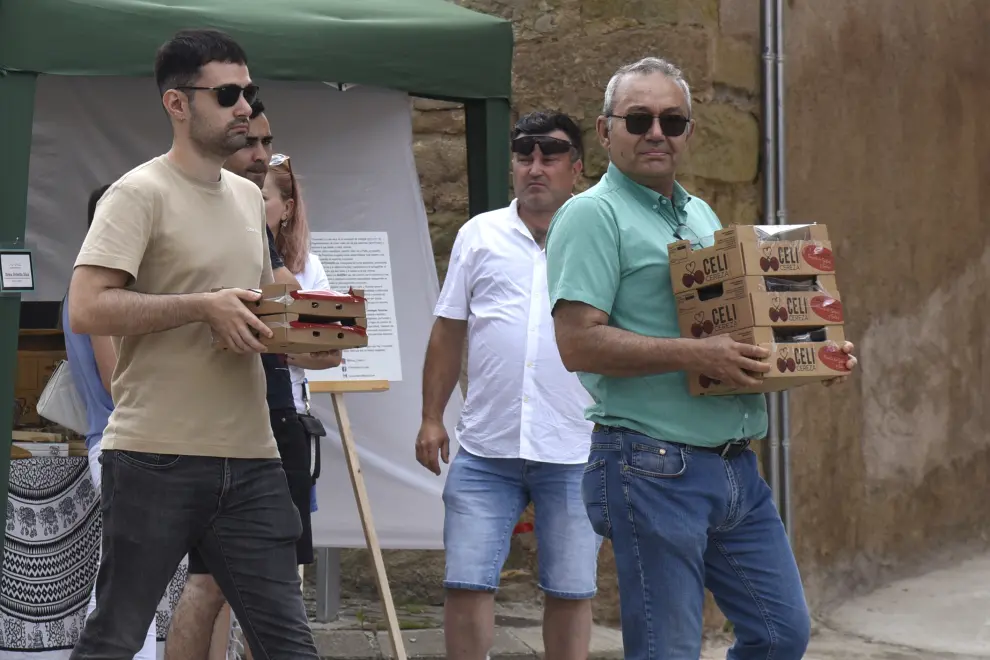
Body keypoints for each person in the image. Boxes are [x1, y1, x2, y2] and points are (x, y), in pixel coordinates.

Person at [545, 56, 860, 660]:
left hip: (734, 466)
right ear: (605, 130)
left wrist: (808, 354)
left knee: (781, 634)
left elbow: (732, 342)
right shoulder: (592, 214)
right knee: (668, 650)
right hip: (651, 464)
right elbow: (577, 343)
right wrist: (699, 352)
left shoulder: (699, 214)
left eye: (671, 120)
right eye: (638, 119)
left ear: (689, 132)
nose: (655, 132)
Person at [66, 28, 318, 659]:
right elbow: (86, 306)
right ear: (177, 104)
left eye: (249, 92)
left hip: (253, 456)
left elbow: (263, 310)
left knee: (289, 645)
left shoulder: (248, 198)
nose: (245, 107)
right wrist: (202, 306)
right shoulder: (137, 193)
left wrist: (317, 334)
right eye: (227, 94)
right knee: (116, 637)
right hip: (155, 454)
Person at [415, 111, 601, 660]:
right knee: (465, 581)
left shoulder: (600, 235)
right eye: (525, 156)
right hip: (487, 445)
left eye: (551, 155)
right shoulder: (479, 234)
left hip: (575, 444)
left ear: (577, 167)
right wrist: (431, 417)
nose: (535, 167)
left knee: (571, 589)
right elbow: (449, 330)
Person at [164, 100, 336, 659]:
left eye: (267, 144)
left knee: (258, 581)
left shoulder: (247, 224)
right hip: (222, 422)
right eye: (250, 143)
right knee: (211, 581)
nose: (261, 156)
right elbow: (293, 312)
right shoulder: (203, 211)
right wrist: (311, 327)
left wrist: (321, 333)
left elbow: (304, 326)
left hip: (270, 416)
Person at [62, 184, 159, 660]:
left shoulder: (89, 290)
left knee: (129, 585)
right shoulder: (99, 295)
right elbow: (116, 380)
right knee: (129, 588)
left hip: (116, 441)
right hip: (121, 443)